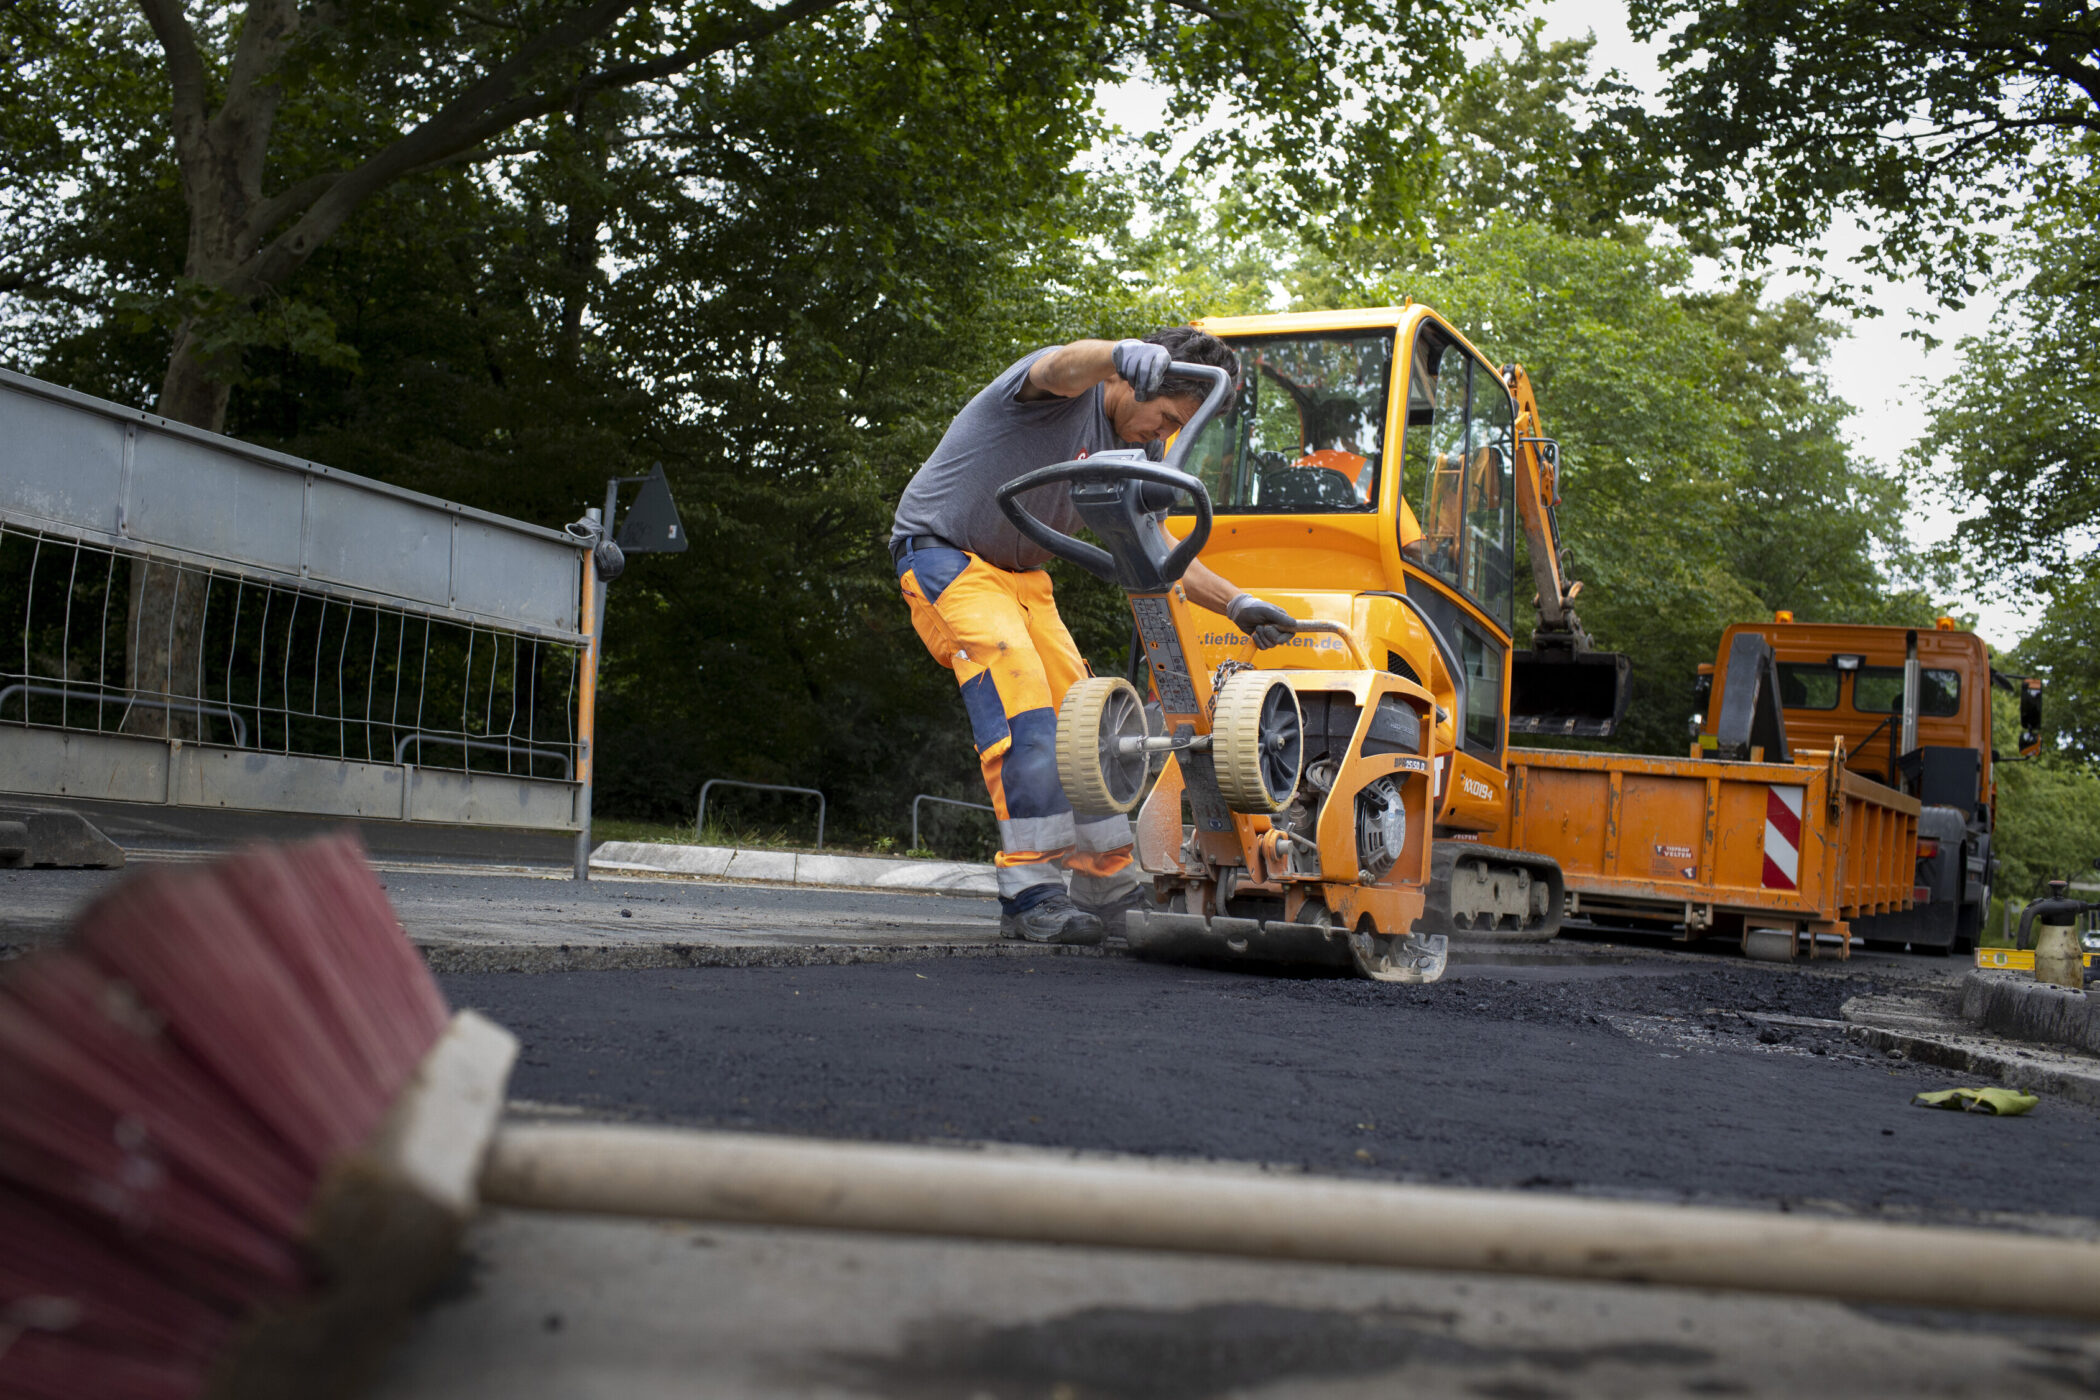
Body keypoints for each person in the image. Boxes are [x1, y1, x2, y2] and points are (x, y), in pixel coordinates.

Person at [891, 329, 1300, 945]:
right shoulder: (1059, 391)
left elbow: (1160, 545)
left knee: (1092, 732)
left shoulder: (1133, 457)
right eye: (1163, 417)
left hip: (1025, 580)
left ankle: (1106, 886)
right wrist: (1116, 352)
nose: (1160, 437)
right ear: (1130, 380)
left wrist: (1238, 604)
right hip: (946, 557)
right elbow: (1059, 365)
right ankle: (1029, 891)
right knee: (1025, 710)